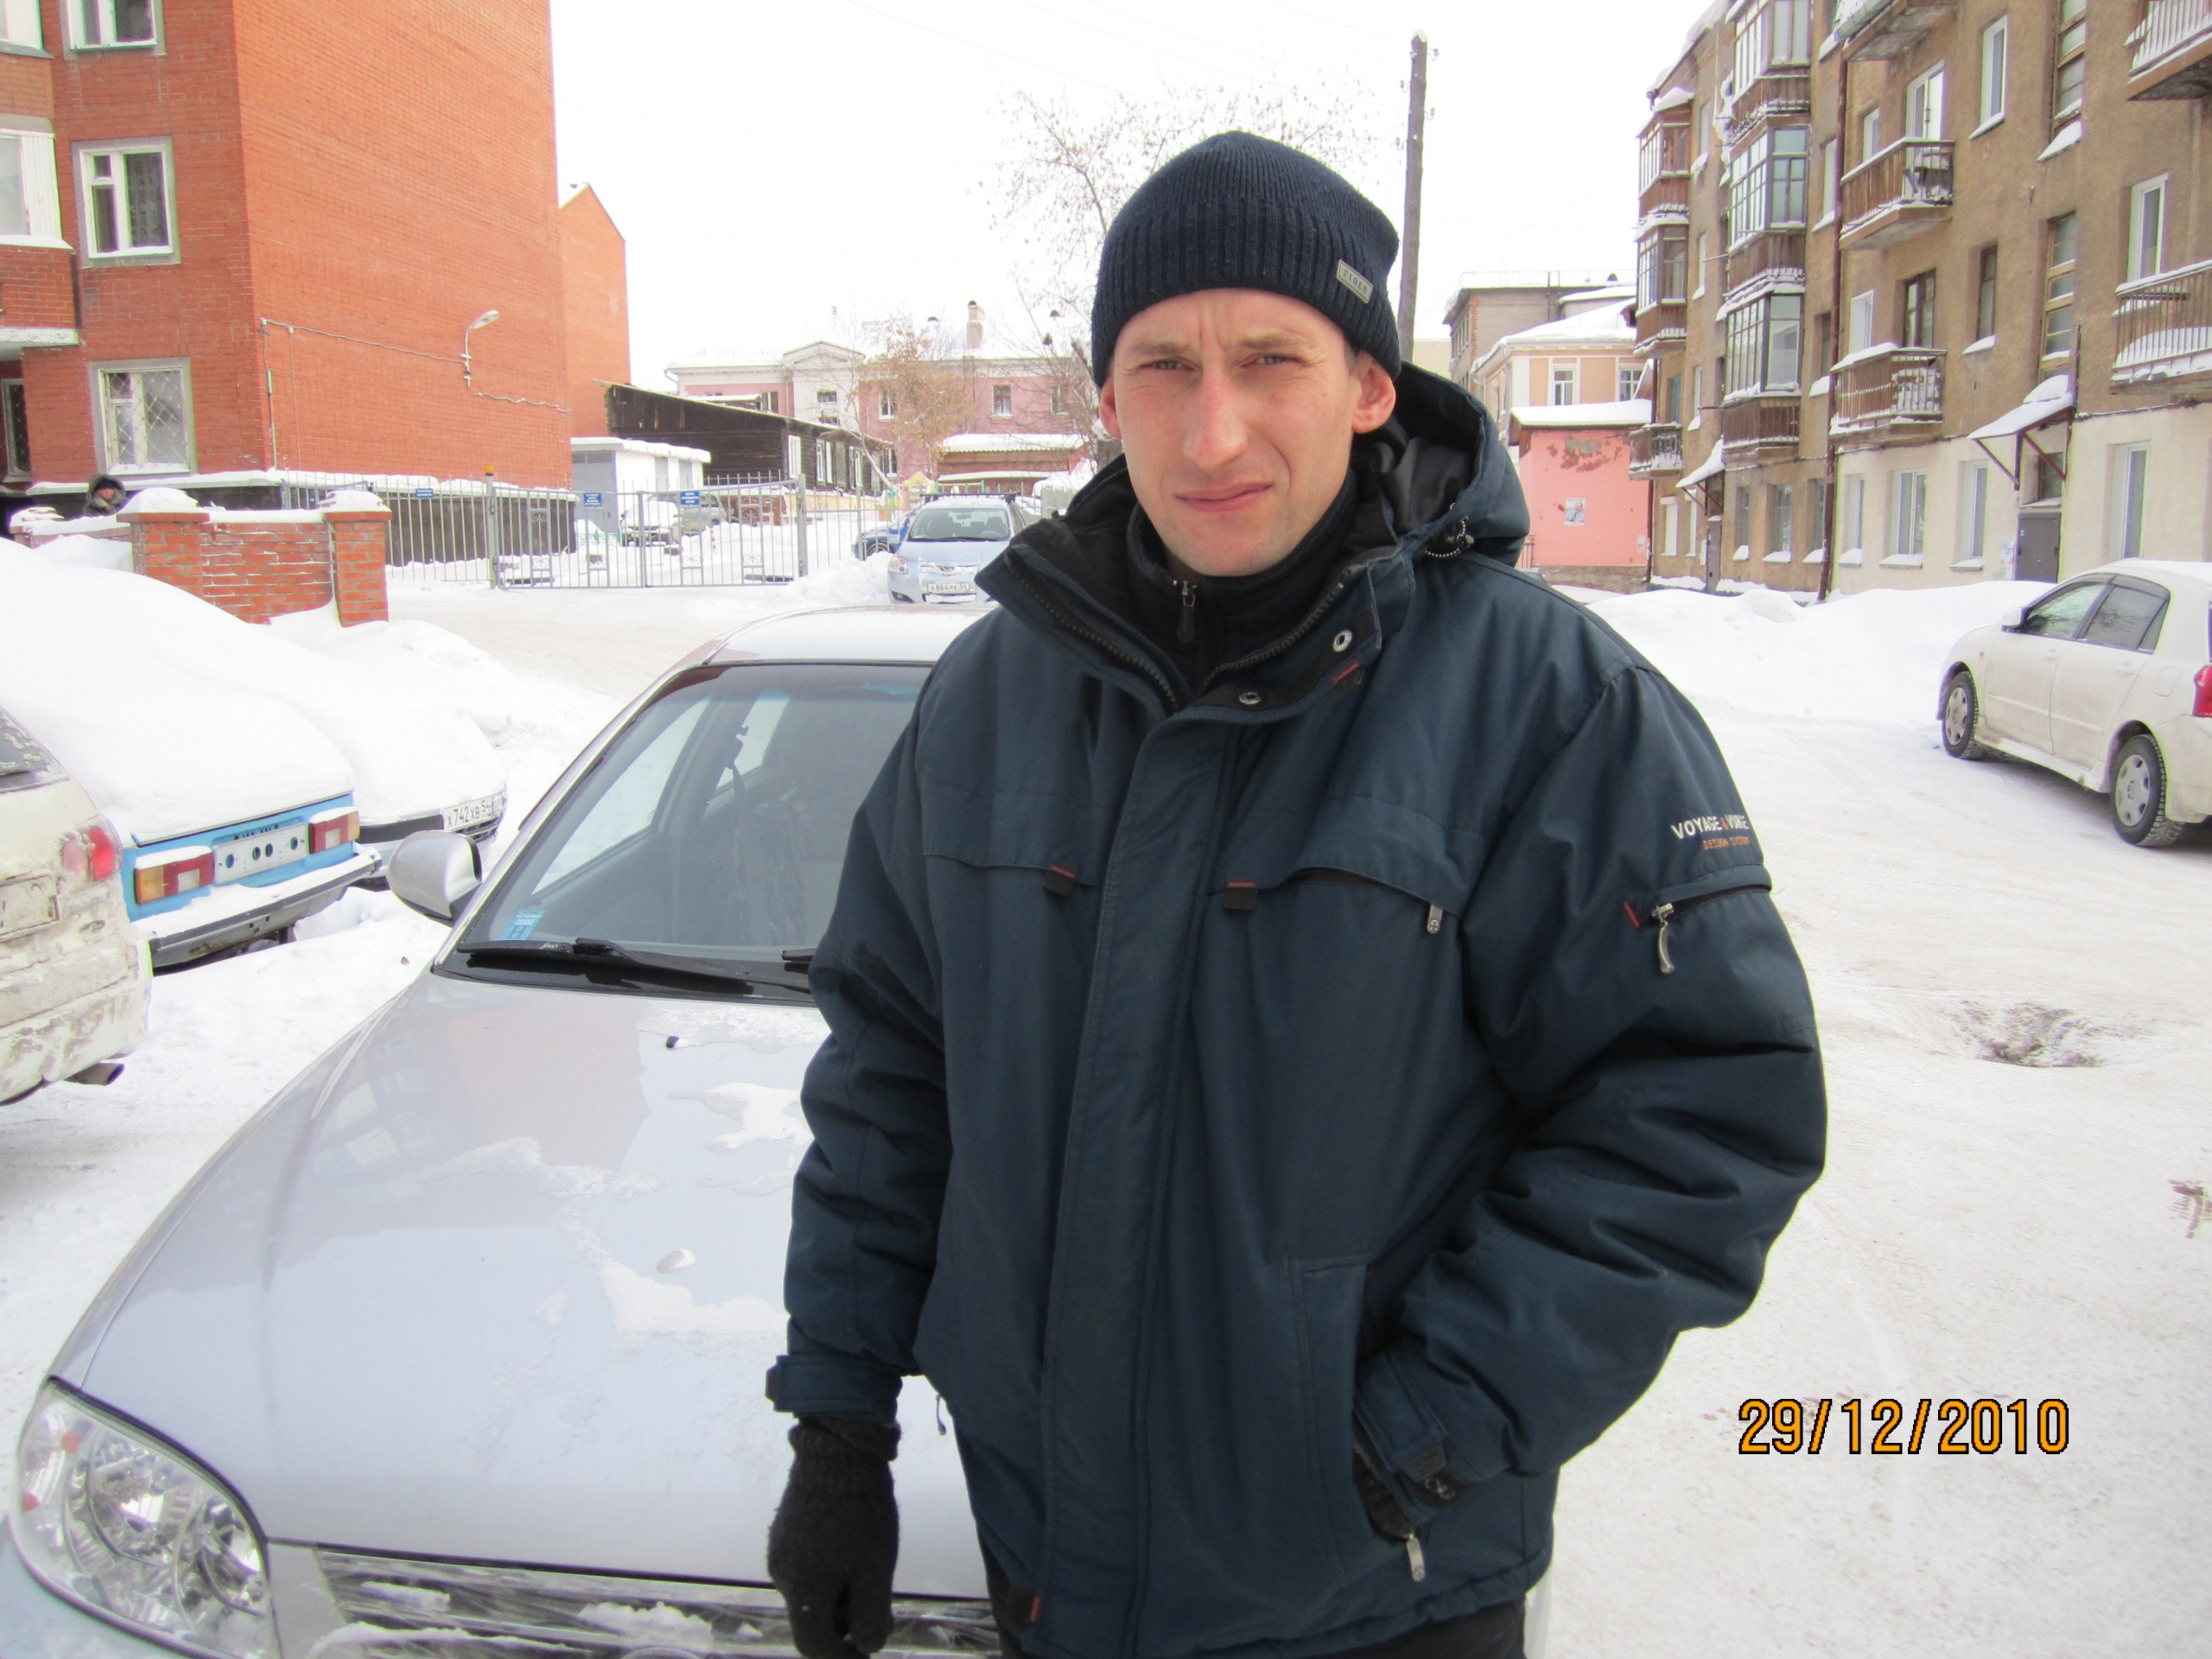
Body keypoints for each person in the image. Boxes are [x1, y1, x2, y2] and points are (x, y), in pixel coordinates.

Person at [764, 133, 1826, 1659]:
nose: (1214, 430)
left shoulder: (1547, 706)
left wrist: (1414, 1435)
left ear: (1371, 386)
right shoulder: (994, 699)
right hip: (1052, 1571)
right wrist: (837, 1427)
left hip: (1376, 1595)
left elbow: (1702, 1108)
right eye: (1163, 367)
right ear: (1107, 399)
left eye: (1272, 358)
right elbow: (890, 1078)